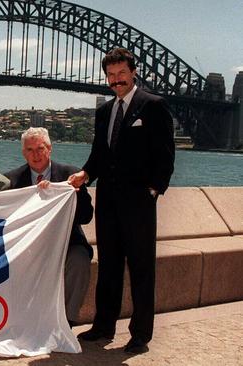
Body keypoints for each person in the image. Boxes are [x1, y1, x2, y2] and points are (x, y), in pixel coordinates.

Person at [68, 48, 175, 354]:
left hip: (139, 203)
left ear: (133, 73)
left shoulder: (153, 106)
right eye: (111, 76)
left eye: (121, 74)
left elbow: (165, 155)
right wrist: (85, 174)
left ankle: (140, 335)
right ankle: (104, 326)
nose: (116, 81)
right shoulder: (104, 112)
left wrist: (154, 191)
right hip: (109, 203)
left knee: (141, 269)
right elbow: (99, 156)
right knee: (110, 266)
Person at [4, 127, 93, 328]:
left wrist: (73, 194)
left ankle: (66, 322)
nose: (35, 154)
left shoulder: (71, 175)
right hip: (28, 245)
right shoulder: (12, 180)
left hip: (68, 242)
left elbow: (86, 217)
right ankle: (19, 322)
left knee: (79, 260)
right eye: (29, 150)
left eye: (40, 148)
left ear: (50, 148)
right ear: (23, 153)